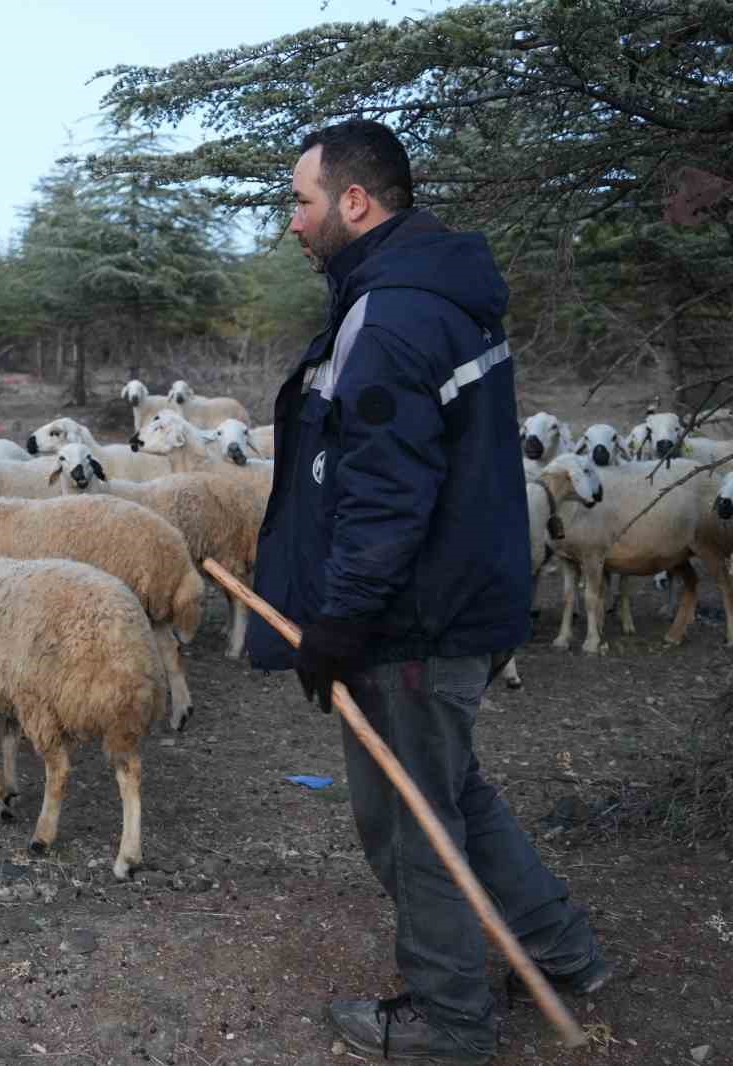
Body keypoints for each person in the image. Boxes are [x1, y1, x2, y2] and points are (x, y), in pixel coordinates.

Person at [246, 119, 610, 1063]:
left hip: (413, 618)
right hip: (459, 599)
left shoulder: (395, 311)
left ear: (355, 203)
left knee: (411, 818)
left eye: (303, 200)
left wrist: (338, 622)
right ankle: (565, 954)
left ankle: (449, 1022)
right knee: (455, 794)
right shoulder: (434, 292)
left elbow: (386, 491)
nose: (294, 221)